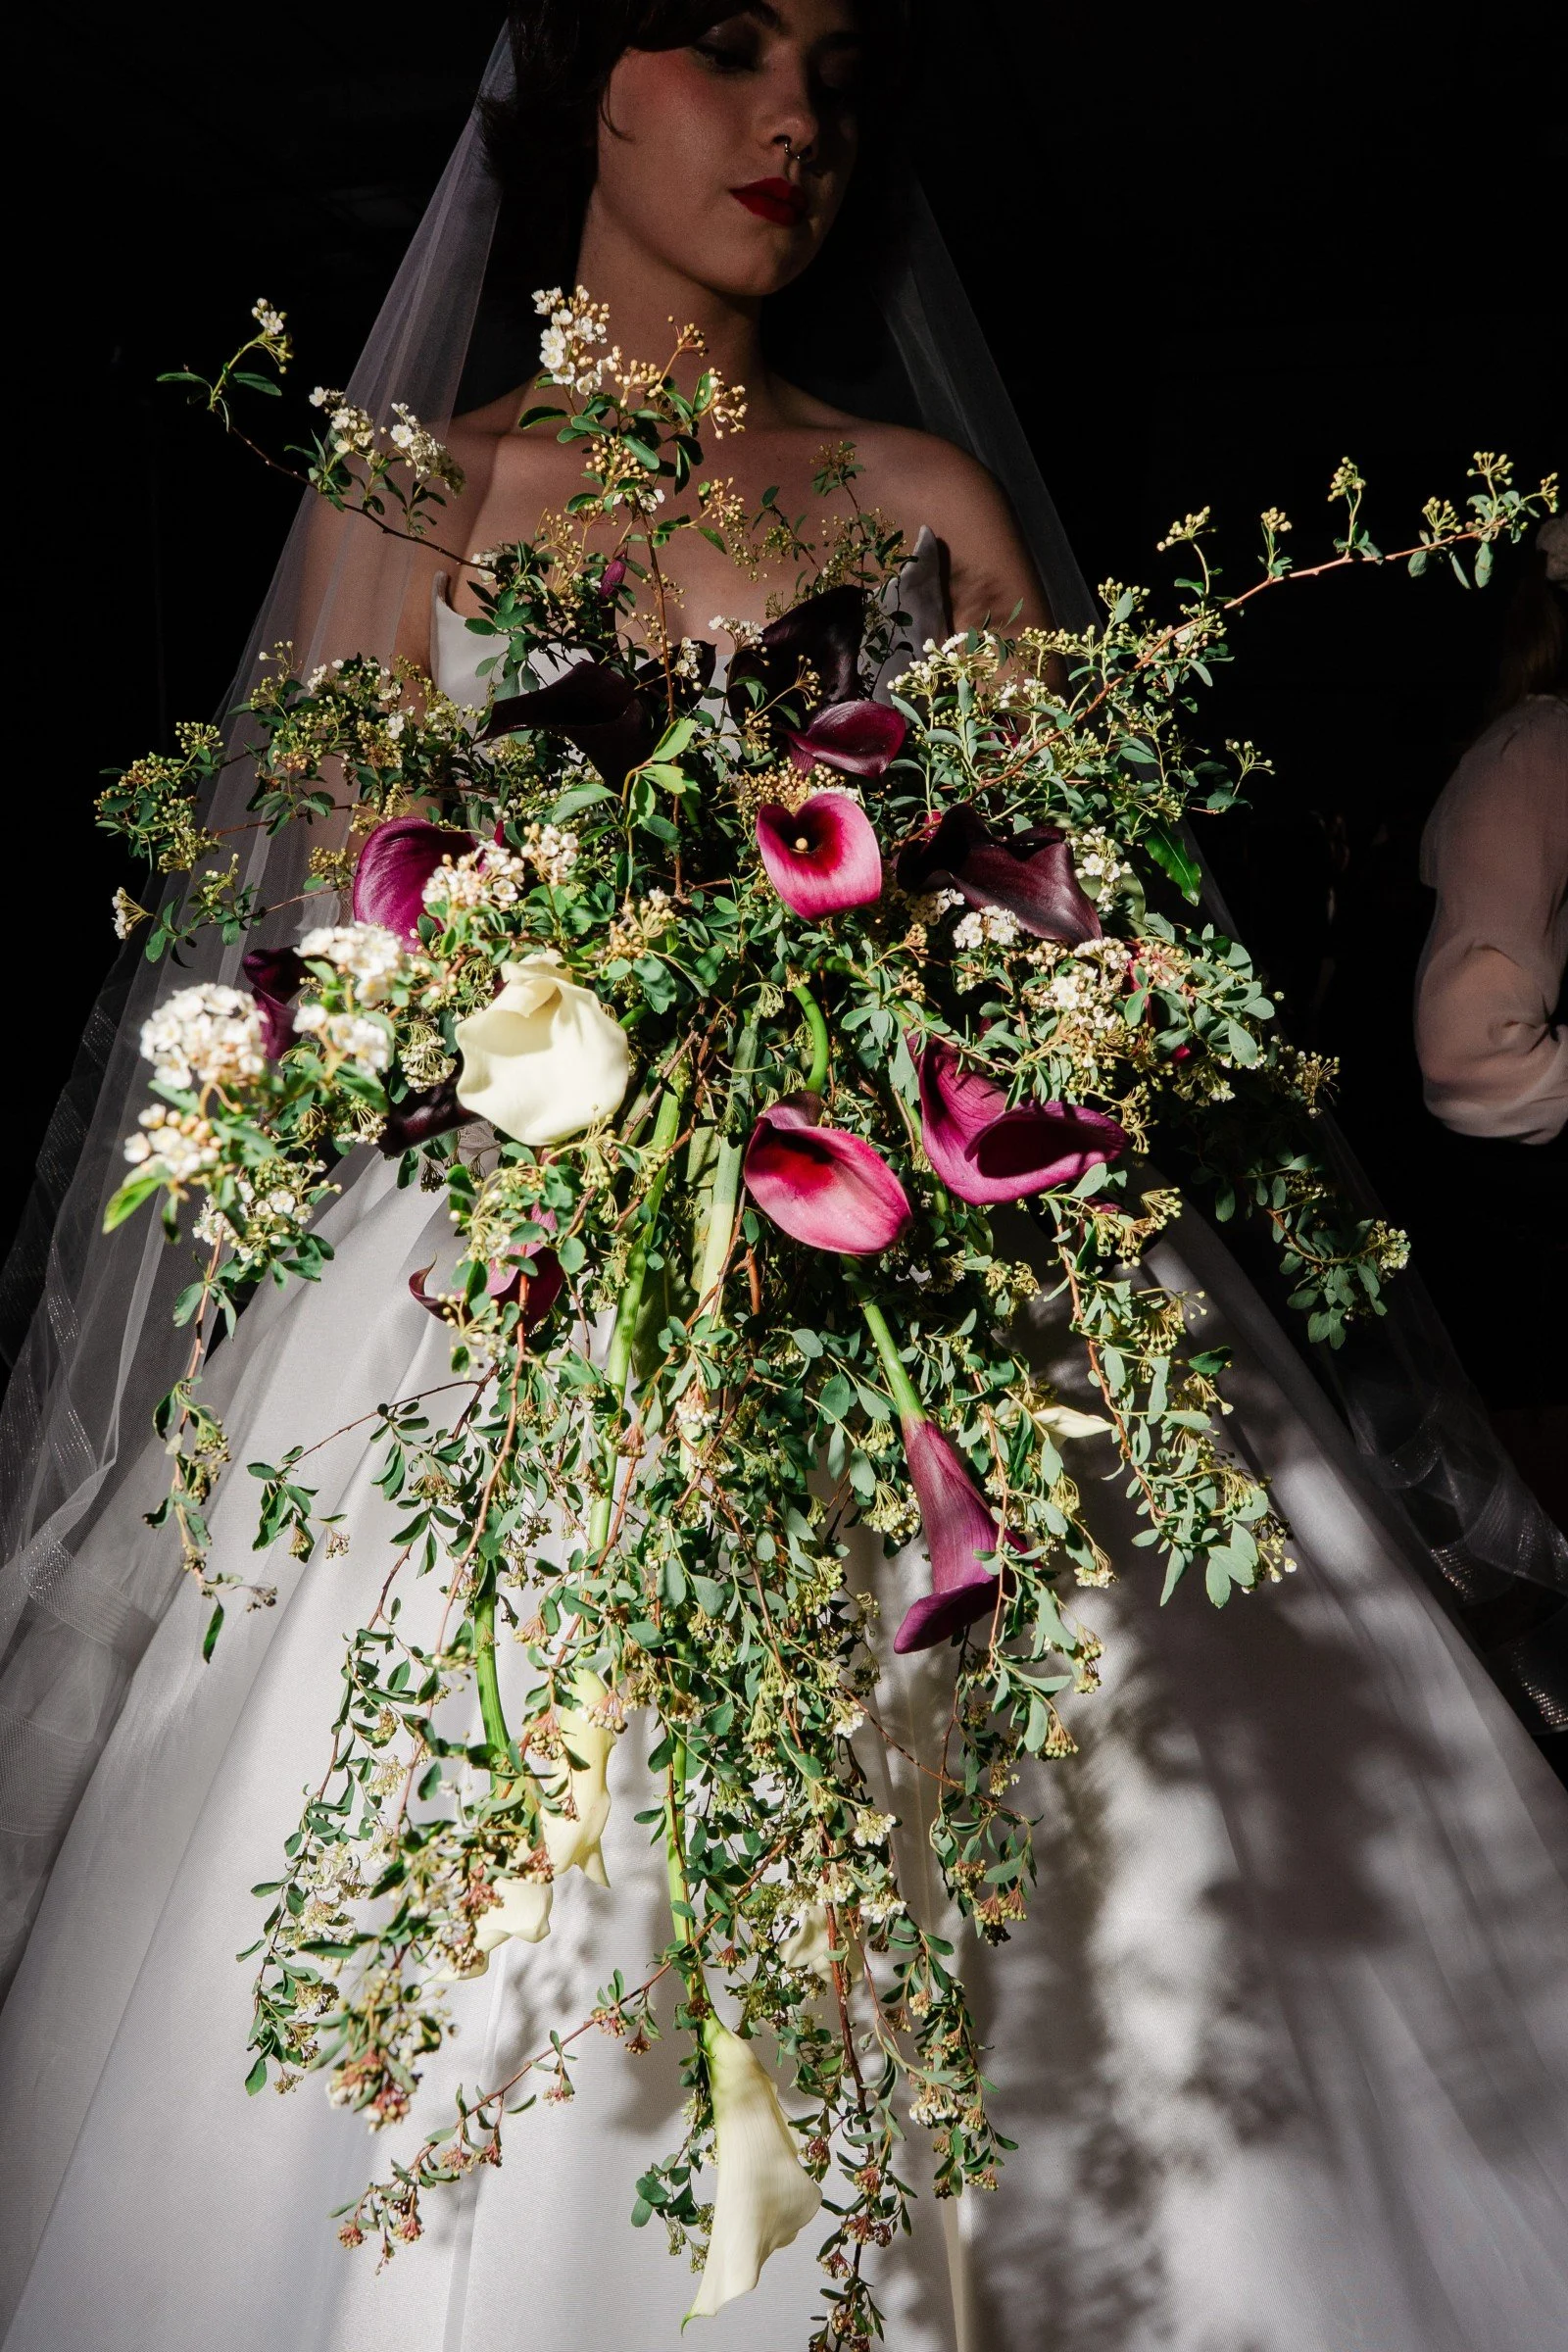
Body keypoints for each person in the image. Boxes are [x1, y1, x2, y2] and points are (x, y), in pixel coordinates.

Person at [2, 10, 1566, 2349]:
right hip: (500, 1279)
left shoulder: (921, 498)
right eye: (727, 47)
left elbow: (1091, 930)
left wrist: (933, 1017)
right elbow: (327, 935)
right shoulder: (412, 496)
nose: (795, 117)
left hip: (926, 1232)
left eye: (838, 72)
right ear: (580, 100)